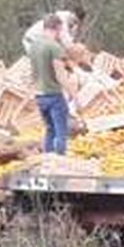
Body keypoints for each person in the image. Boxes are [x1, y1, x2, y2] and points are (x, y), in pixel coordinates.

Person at [29, 14, 75, 155]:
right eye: (61, 30)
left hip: (39, 95)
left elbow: (33, 71)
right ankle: (59, 162)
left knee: (49, 129)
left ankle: (46, 160)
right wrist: (73, 92)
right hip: (53, 94)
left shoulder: (34, 46)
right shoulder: (54, 47)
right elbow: (60, 75)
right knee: (61, 131)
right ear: (58, 28)